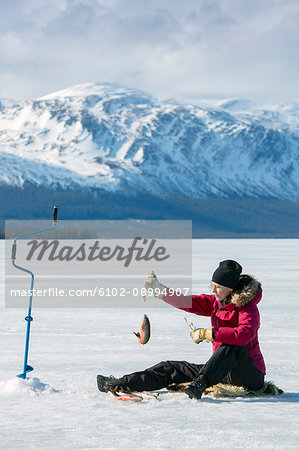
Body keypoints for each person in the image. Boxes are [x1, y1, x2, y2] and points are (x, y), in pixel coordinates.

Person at [97, 260, 266, 400]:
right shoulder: (215, 303)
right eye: (212, 285)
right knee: (172, 368)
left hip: (249, 376)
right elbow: (187, 302)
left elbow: (244, 335)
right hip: (221, 371)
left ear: (231, 288)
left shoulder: (248, 309)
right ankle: (122, 383)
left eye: (218, 287)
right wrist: (160, 291)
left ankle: (199, 384)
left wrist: (210, 334)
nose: (213, 290)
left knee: (233, 345)